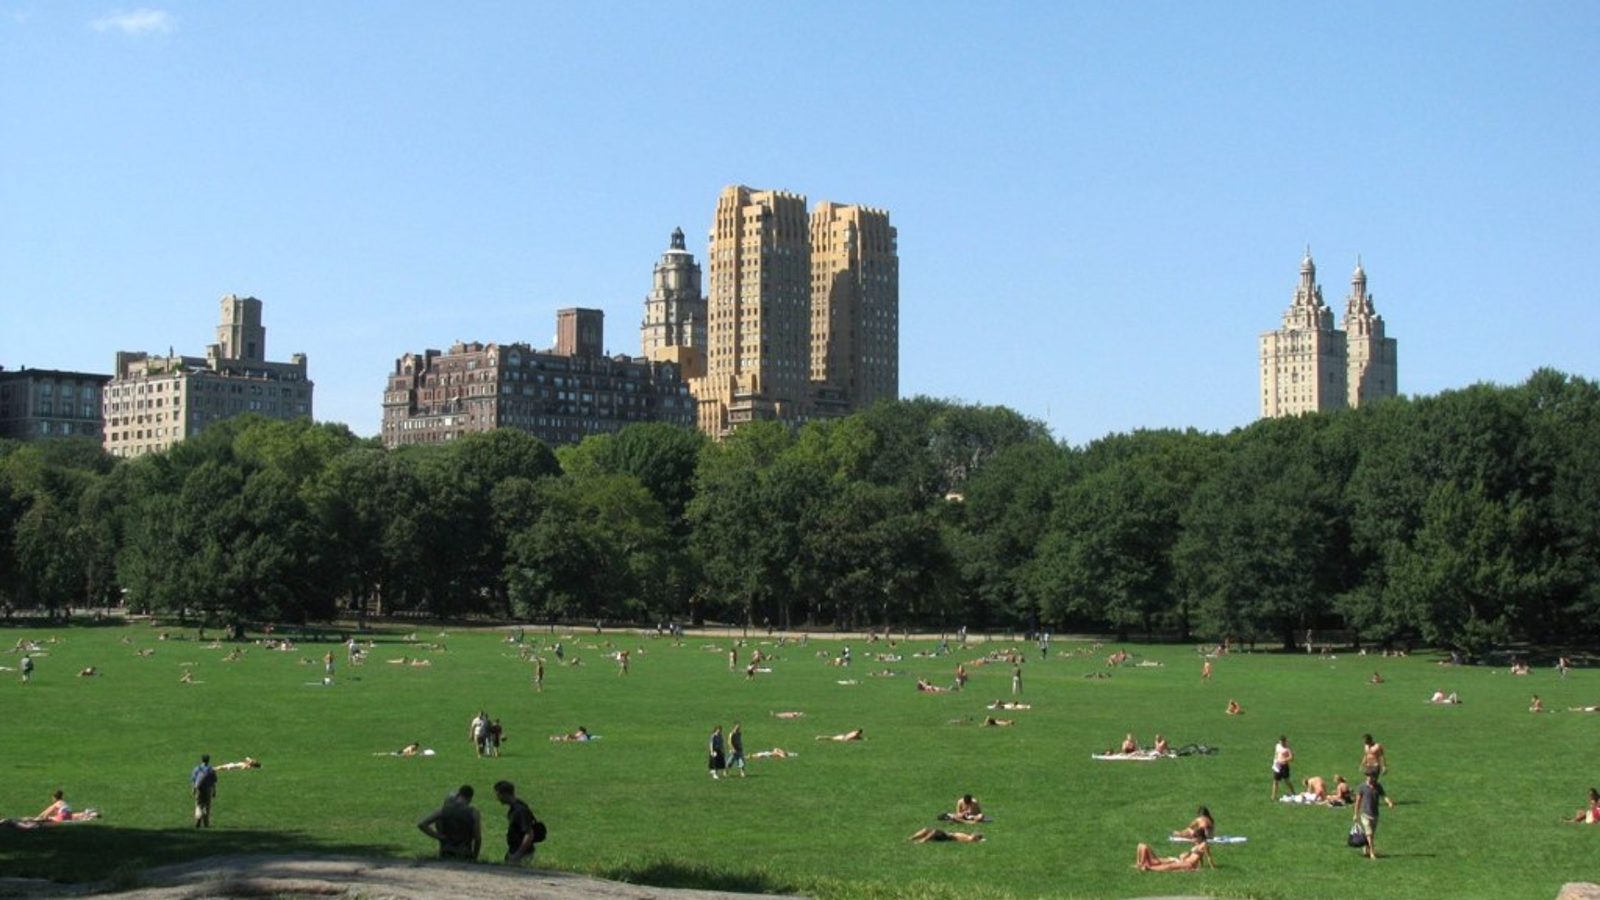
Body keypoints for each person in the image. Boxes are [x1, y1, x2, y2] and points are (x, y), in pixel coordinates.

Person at [418, 785, 482, 860]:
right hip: (464, 853)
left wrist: (440, 837)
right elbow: (477, 838)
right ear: (470, 798)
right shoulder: (473, 812)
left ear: (458, 795)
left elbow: (422, 824)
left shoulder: (443, 810)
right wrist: (474, 857)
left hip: (446, 852)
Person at [493, 780, 539, 865]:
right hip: (514, 849)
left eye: (498, 795)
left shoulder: (520, 810)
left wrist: (518, 854)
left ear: (505, 794)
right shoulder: (515, 808)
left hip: (521, 853)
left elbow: (529, 834)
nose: (497, 798)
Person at [1353, 771, 1394, 859]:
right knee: (1369, 834)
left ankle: (1366, 848)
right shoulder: (1362, 787)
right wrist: (1355, 814)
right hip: (1365, 814)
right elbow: (1358, 801)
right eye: (1368, 776)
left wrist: (1389, 802)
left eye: (1372, 776)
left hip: (1375, 814)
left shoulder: (1378, 786)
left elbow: (1384, 796)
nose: (1370, 778)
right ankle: (1372, 853)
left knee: (1371, 834)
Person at [1134, 840, 1214, 871]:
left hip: (1188, 864)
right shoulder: (1197, 846)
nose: (1193, 840)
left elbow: (1208, 857)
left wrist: (1213, 868)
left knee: (1169, 866)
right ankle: (1143, 864)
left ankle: (1148, 867)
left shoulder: (1204, 845)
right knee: (1167, 864)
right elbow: (1200, 857)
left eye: (1195, 837)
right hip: (1184, 861)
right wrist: (1200, 865)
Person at [191, 754, 218, 828]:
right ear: (208, 760)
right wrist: (214, 791)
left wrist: (193, 789)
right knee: (207, 806)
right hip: (208, 789)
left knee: (198, 805)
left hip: (199, 789)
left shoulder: (197, 768)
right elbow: (213, 781)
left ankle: (198, 818)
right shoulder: (211, 769)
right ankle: (206, 823)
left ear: (201, 760)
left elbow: (194, 779)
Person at [910, 827, 983, 843]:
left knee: (934, 831)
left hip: (948, 837)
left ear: (976, 838)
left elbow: (957, 839)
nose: (974, 832)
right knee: (926, 830)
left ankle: (922, 841)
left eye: (976, 834)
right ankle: (911, 838)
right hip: (947, 834)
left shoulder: (969, 840)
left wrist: (980, 840)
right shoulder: (968, 836)